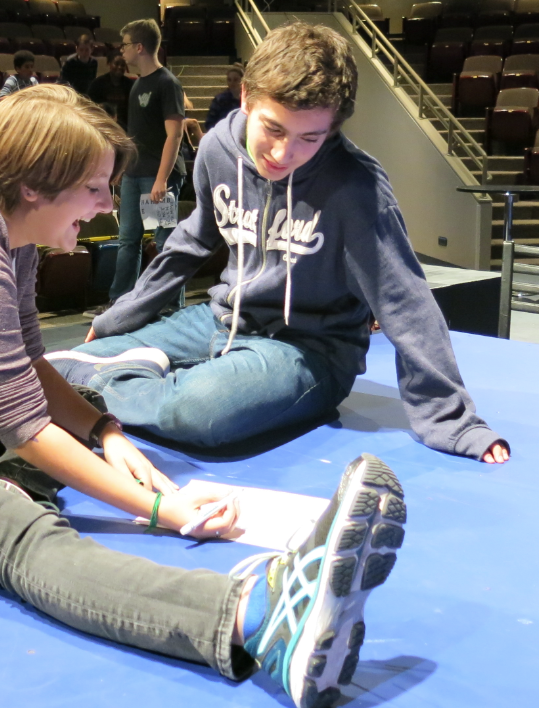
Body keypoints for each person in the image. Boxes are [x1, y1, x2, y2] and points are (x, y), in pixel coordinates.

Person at [0, 83, 407, 708]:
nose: (108, 203)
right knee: (14, 537)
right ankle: (261, 617)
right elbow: (23, 427)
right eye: (94, 187)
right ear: (35, 186)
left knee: (74, 433)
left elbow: (31, 365)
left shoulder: (9, 234)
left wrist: (104, 432)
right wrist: (160, 511)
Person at [46, 22, 510, 465]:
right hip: (220, 319)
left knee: (197, 412)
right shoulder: (216, 150)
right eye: (273, 128)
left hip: (309, 349)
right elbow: (190, 241)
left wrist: (452, 419)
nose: (284, 153)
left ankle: (150, 383)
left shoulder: (356, 189)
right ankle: (146, 373)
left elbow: (404, 301)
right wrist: (121, 317)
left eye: (310, 137)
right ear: (246, 96)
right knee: (53, 367)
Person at [83, 19, 186, 318]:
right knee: (128, 239)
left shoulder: (167, 83)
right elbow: (136, 136)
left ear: (139, 47)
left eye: (125, 44)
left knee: (163, 241)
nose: (122, 51)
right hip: (134, 174)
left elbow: (175, 135)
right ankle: (120, 303)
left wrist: (161, 180)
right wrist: (122, 169)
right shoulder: (137, 84)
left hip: (157, 178)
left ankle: (170, 305)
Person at [87, 51, 134, 130]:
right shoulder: (97, 84)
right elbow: (90, 108)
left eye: (122, 65)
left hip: (124, 128)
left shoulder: (130, 85)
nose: (119, 67)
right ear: (109, 64)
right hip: (102, 127)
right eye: (116, 64)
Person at [204, 63, 244, 132]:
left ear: (242, 81)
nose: (232, 83)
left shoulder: (248, 100)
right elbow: (210, 123)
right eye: (229, 80)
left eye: (235, 80)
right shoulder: (220, 100)